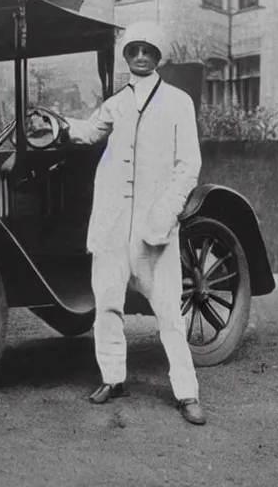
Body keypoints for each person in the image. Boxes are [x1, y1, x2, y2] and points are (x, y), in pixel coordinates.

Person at [64, 21, 206, 425]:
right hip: (112, 222)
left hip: (154, 225)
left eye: (148, 49)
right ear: (126, 55)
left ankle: (186, 392)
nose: (141, 56)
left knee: (168, 313)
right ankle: (113, 377)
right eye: (134, 50)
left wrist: (166, 212)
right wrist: (56, 125)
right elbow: (90, 132)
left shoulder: (178, 102)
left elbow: (188, 166)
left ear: (158, 55)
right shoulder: (116, 103)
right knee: (107, 302)